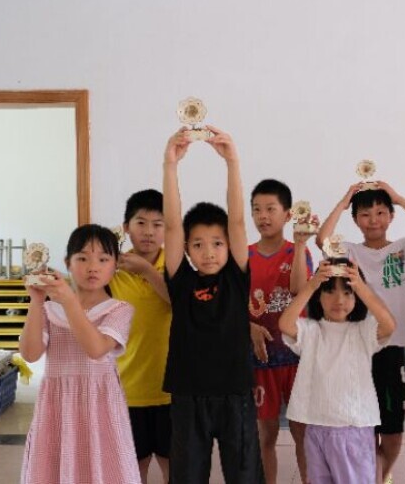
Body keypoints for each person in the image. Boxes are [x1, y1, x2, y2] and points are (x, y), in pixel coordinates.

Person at [317, 181, 405, 483]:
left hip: (392, 351)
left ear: (391, 216)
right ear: (356, 220)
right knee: (364, 429)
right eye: (365, 214)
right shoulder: (350, 252)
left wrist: (398, 198)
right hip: (357, 350)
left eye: (381, 212)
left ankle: (382, 474)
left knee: (394, 431)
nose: (374, 220)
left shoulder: (402, 250)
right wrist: (345, 199)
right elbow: (322, 239)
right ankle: (371, 475)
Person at [162, 126, 261, 483]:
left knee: (244, 474)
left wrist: (232, 162)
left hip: (235, 392)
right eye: (198, 244)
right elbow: (172, 226)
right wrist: (170, 165)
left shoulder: (236, 276)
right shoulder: (181, 280)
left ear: (229, 245)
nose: (209, 252)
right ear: (187, 249)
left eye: (217, 243)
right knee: (188, 475)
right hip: (189, 393)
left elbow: (237, 221)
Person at [19, 224, 140, 483]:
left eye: (103, 259)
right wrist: (37, 302)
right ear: (68, 263)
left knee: (104, 468)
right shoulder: (50, 310)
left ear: (115, 266)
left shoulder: (119, 310)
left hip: (100, 406)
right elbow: (29, 353)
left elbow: (96, 349)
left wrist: (69, 301)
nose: (93, 267)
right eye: (83, 258)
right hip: (56, 405)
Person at [279, 260, 395, 484]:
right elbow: (285, 324)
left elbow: (388, 325)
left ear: (356, 297)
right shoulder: (310, 329)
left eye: (348, 292)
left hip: (352, 428)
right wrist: (311, 284)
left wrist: (361, 286)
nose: (339, 300)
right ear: (318, 296)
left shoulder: (363, 330)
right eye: (329, 291)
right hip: (316, 427)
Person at [248, 178, 313, 483]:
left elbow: (299, 290)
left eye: (270, 209)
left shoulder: (298, 252)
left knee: (303, 433)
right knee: (266, 435)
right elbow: (231, 307)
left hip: (297, 358)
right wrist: (248, 326)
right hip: (260, 360)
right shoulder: (243, 257)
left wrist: (300, 245)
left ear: (287, 214)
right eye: (256, 209)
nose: (263, 216)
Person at [110, 188, 173, 484]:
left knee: (174, 465)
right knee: (134, 468)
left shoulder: (177, 266)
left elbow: (183, 304)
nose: (149, 232)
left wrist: (148, 271)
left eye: (158, 224)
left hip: (172, 389)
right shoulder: (112, 271)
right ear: (126, 227)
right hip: (127, 389)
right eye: (141, 223)